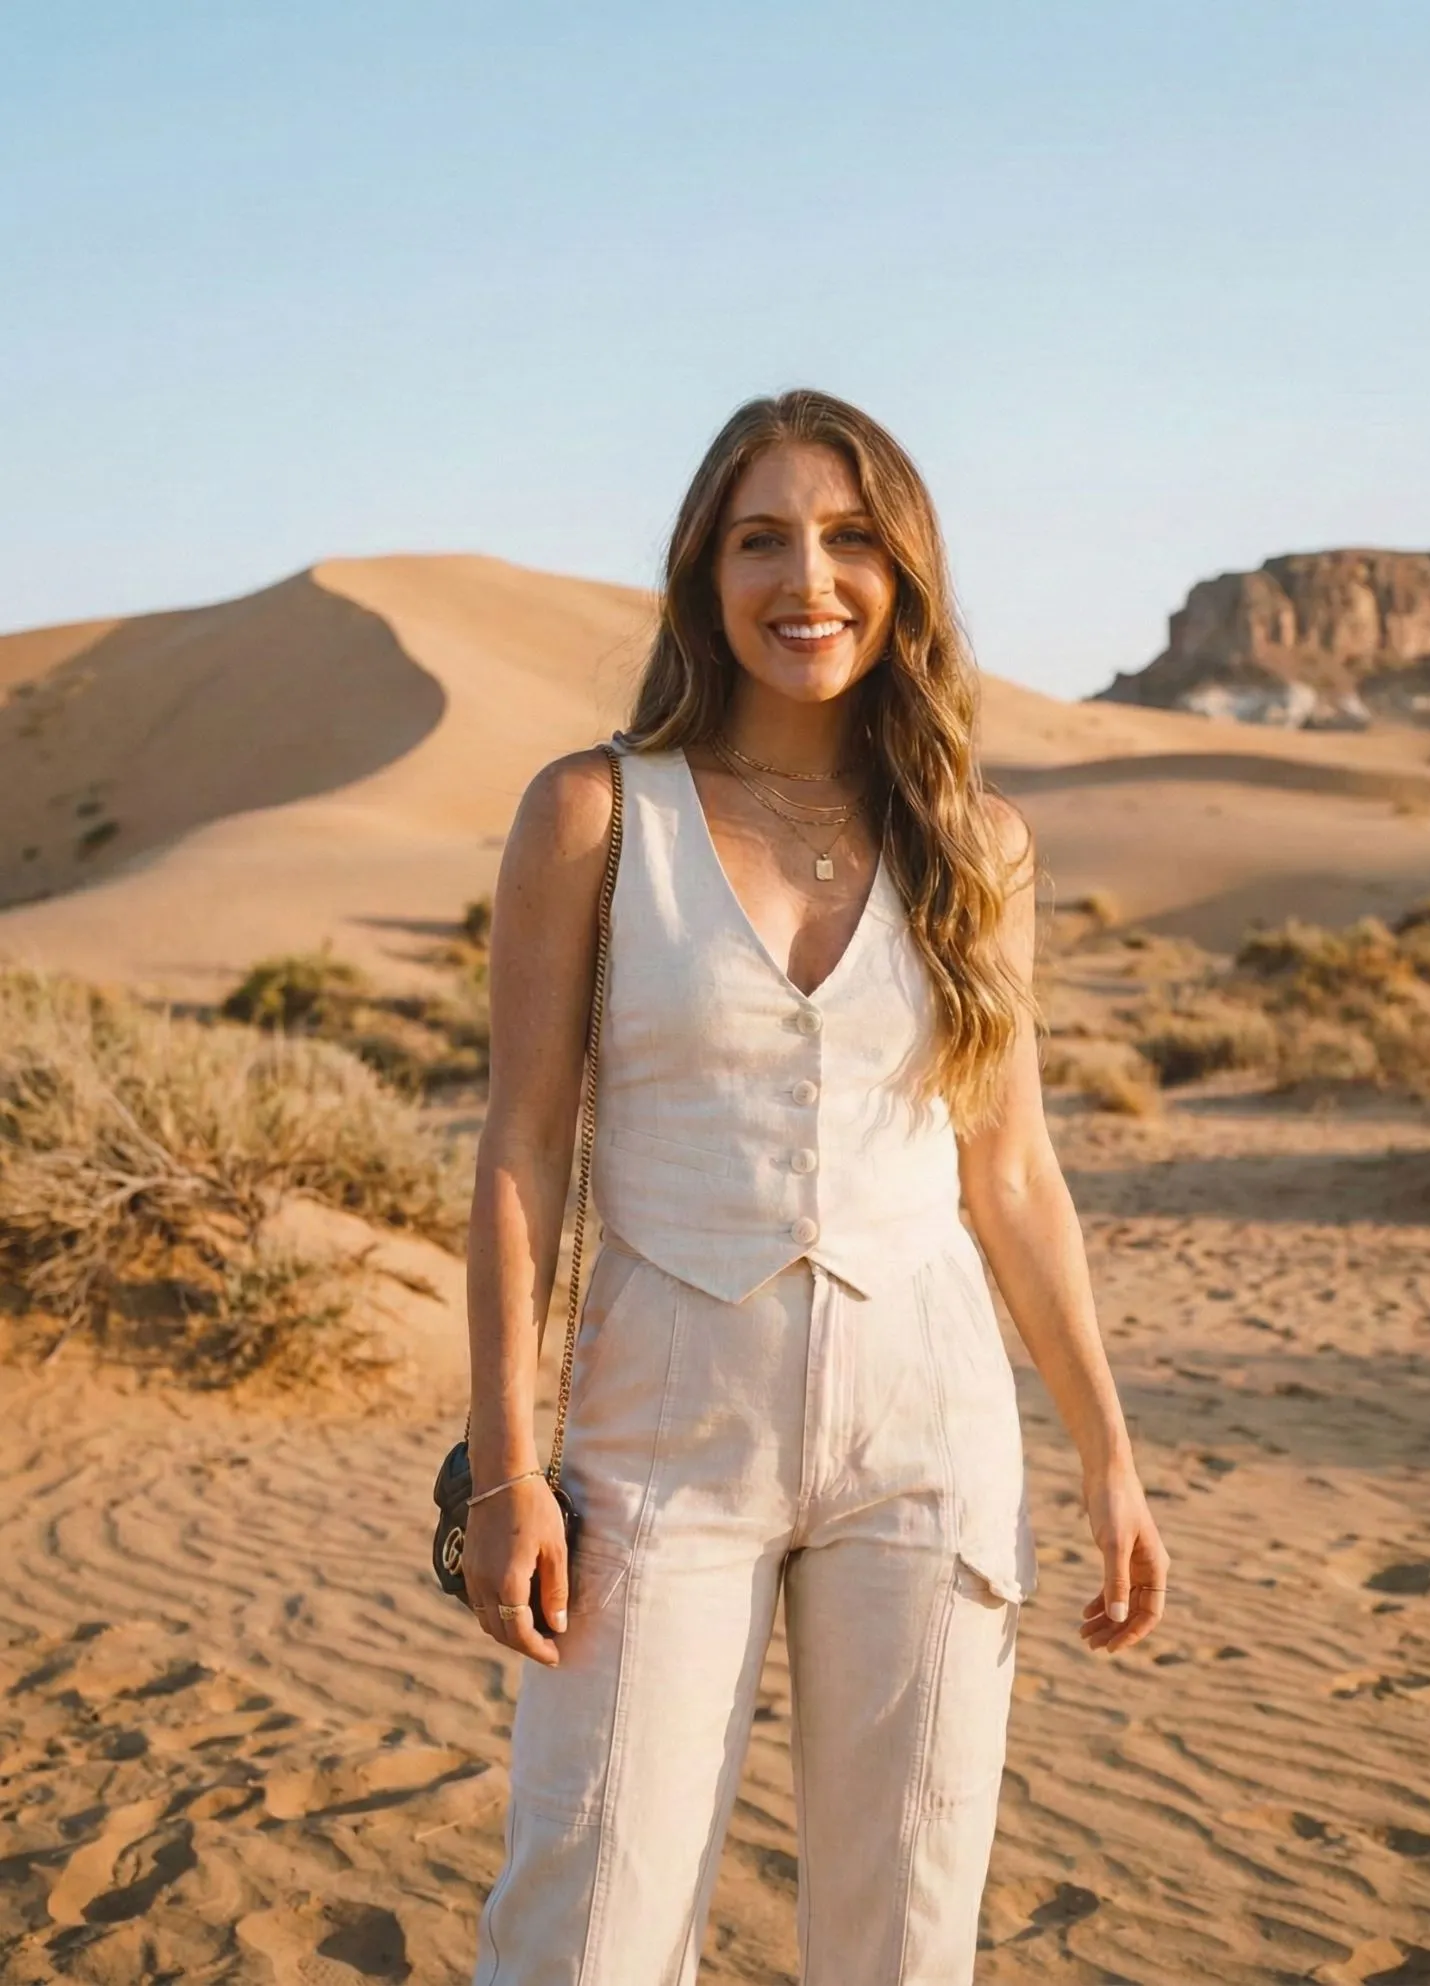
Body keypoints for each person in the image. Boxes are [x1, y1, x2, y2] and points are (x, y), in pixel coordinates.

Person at [461, 388, 1169, 1985]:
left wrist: (1110, 1454)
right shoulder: (593, 812)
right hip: (658, 1431)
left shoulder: (975, 844)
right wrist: (507, 1467)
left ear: (903, 574)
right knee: (585, 1926)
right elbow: (519, 1151)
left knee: (906, 1936)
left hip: (929, 1433)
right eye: (762, 537)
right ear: (705, 572)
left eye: (851, 538)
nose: (810, 577)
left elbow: (1014, 1172)